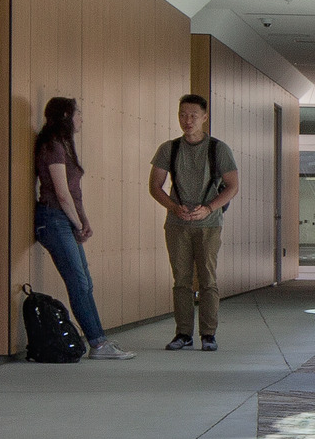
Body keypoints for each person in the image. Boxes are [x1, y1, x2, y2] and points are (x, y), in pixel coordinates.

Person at [30, 97, 129, 360]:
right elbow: (61, 193)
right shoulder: (52, 146)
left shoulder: (65, 146)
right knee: (78, 281)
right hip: (53, 219)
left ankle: (100, 340)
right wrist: (76, 222)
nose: (81, 118)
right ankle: (97, 343)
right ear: (65, 116)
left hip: (65, 218)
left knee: (85, 282)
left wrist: (84, 220)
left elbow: (75, 193)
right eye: (78, 113)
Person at [147, 94, 239, 352]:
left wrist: (209, 207)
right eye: (182, 115)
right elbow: (155, 186)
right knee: (181, 280)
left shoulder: (218, 149)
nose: (187, 121)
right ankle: (183, 333)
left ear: (204, 118)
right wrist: (173, 207)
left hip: (209, 224)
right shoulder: (169, 148)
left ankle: (208, 334)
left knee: (208, 279)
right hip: (177, 225)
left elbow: (233, 186)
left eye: (193, 116)